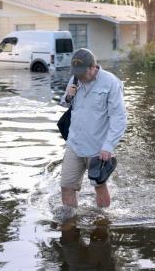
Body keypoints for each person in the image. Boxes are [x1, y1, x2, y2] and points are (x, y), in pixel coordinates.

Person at [59, 48, 127, 208]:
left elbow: (119, 117)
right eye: (76, 72)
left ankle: (103, 222)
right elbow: (65, 103)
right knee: (66, 186)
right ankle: (70, 224)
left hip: (98, 148)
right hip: (74, 144)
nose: (79, 76)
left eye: (82, 72)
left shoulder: (110, 82)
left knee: (99, 187)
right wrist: (68, 96)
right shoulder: (75, 79)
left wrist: (108, 146)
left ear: (92, 67)